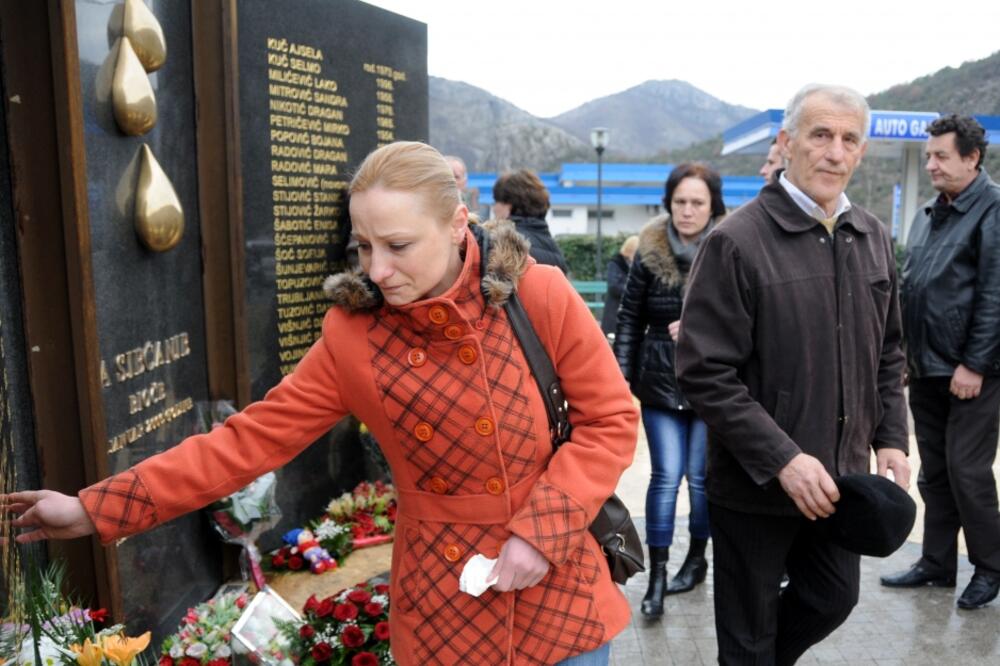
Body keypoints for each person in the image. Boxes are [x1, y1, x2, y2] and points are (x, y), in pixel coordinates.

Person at [2, 142, 639, 666]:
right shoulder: (354, 335)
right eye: (364, 247)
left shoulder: (538, 296)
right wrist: (95, 507)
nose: (379, 270)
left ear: (455, 222)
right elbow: (245, 442)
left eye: (398, 245)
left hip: (556, 588)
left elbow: (610, 421)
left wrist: (540, 533)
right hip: (446, 606)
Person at [675, 84, 910, 664]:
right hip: (755, 488)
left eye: (849, 139)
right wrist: (782, 458)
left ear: (861, 151)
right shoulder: (736, 241)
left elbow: (889, 351)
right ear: (787, 142)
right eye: (820, 135)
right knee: (747, 632)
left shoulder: (874, 237)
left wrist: (891, 437)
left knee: (833, 598)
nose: (834, 152)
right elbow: (704, 371)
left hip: (839, 483)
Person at [880, 115, 1000, 610]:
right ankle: (937, 563)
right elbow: (912, 285)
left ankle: (990, 567)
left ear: (972, 158)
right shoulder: (929, 210)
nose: (930, 164)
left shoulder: (993, 208)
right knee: (934, 473)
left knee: (966, 470)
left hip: (973, 371)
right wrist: (905, 353)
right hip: (926, 366)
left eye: (940, 156)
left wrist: (975, 363)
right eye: (928, 156)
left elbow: (995, 294)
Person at [613, 163, 725, 618]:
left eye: (697, 202)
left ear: (712, 205)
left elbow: (750, 319)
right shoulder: (649, 249)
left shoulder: (729, 246)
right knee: (665, 478)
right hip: (658, 381)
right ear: (669, 203)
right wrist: (621, 379)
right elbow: (628, 319)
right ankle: (656, 576)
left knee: (701, 481)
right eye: (680, 201)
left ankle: (696, 561)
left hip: (712, 382)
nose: (687, 210)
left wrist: (699, 331)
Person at [492, 169, 570, 273]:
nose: (494, 208)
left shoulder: (504, 246)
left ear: (508, 205)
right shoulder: (555, 251)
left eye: (496, 201)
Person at [600, 234, 639, 337]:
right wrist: (633, 291)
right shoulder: (616, 263)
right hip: (614, 310)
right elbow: (614, 286)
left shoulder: (636, 264)